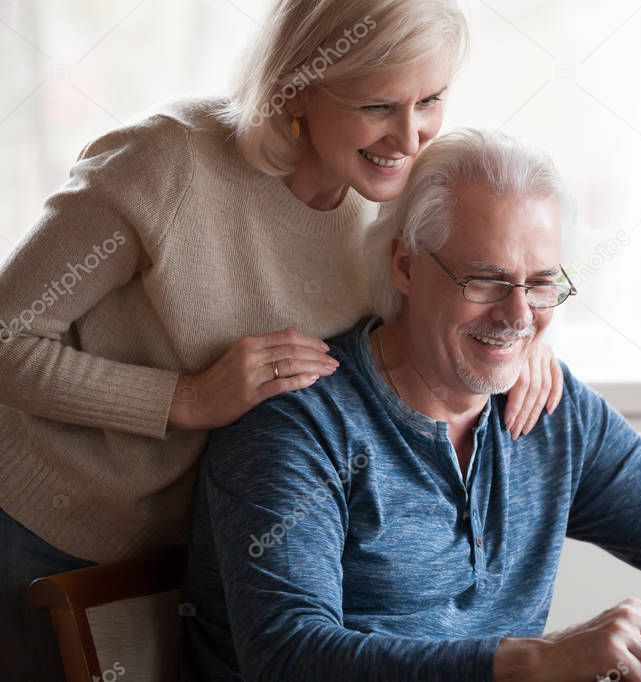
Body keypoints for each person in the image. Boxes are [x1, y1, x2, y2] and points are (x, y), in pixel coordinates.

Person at [0, 2, 562, 678]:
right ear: (296, 88)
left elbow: (459, 285)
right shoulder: (166, 162)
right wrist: (184, 398)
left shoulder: (395, 191)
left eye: (430, 100)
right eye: (378, 105)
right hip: (51, 526)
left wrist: (521, 336)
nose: (410, 137)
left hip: (208, 542)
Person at [180, 128, 641, 681]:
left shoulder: (550, 413)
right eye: (485, 280)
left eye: (540, 284)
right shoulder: (297, 426)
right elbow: (288, 658)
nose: (517, 317)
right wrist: (536, 659)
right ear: (405, 265)